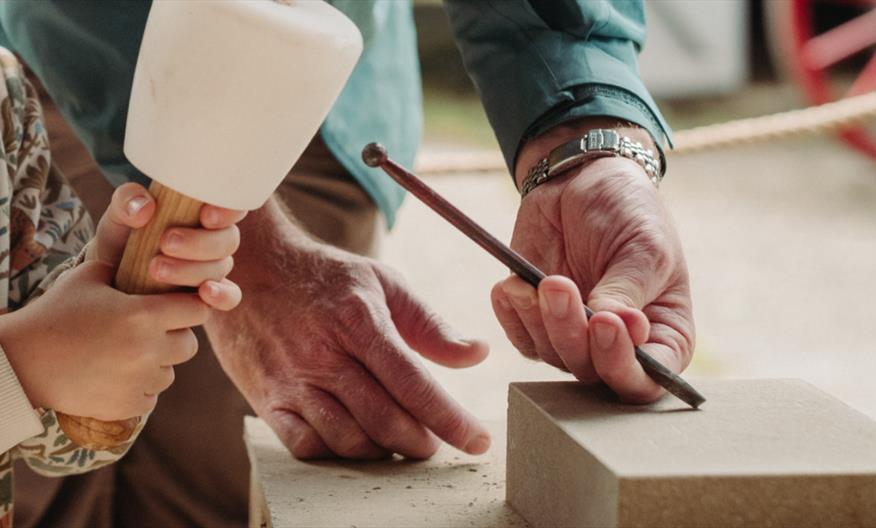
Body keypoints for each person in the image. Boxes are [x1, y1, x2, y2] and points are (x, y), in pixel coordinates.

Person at [0, 1, 695, 526]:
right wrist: (27, 372)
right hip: (83, 54)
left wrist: (581, 140)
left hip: (317, 87)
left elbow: (69, 426)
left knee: (228, 484)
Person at [0, 48, 246, 526]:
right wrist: (21, 368)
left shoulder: (7, 93)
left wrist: (111, 282)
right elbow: (29, 367)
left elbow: (60, 445)